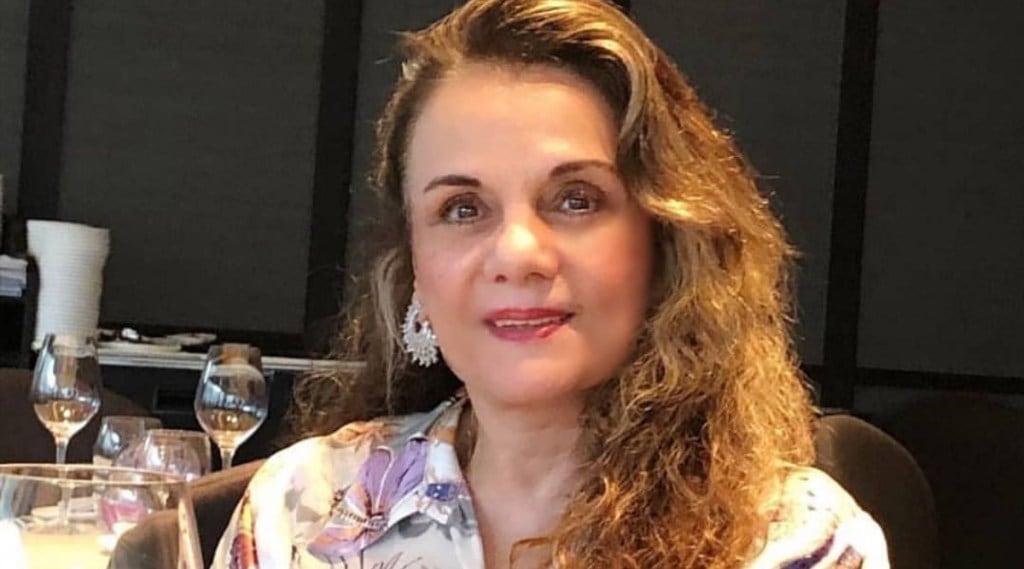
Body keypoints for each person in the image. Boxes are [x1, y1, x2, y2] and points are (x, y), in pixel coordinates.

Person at [213, 0, 888, 567]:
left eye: (575, 200)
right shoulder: (298, 513)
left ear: (664, 242)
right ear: (413, 265)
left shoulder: (796, 544)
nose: (518, 254)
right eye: (462, 209)